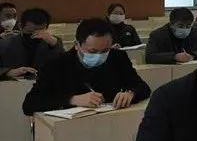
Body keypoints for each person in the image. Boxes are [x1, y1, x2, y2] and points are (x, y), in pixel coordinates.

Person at [22, 18, 151, 114]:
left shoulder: (117, 57)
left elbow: (143, 87)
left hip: (111, 121)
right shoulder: (56, 64)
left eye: (105, 50)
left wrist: (131, 93)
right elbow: (30, 104)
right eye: (92, 51)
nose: (99, 56)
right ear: (77, 45)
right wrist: (72, 100)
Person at [0, 8, 63, 80]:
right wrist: (7, 72)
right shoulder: (4, 44)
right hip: (12, 85)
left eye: (40, 32)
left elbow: (64, 66)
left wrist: (54, 45)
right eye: (30, 32)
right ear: (20, 26)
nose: (35, 36)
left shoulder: (53, 42)